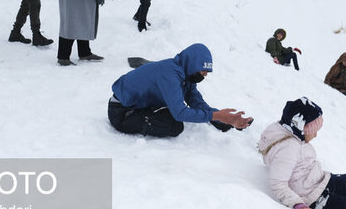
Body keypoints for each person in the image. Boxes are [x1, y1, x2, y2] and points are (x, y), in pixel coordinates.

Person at [108, 43, 253, 138]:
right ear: (193, 65)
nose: (205, 75)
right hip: (122, 113)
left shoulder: (185, 74)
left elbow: (195, 100)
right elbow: (180, 113)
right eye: (203, 71)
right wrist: (216, 116)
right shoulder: (170, 75)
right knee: (174, 125)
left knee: (174, 115)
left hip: (139, 107)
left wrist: (222, 119)